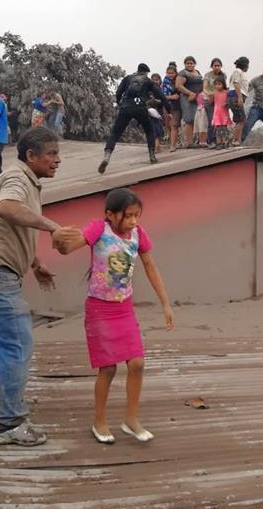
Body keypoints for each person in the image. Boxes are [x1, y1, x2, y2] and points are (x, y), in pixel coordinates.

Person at [0, 127, 67, 446]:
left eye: (57, 154)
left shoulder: (24, 179)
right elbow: (8, 208)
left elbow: (11, 229)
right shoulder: (17, 179)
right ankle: (9, 423)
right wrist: (52, 227)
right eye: (51, 154)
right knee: (17, 346)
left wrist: (35, 265)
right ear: (30, 156)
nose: (57, 160)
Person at [52, 188, 174, 444]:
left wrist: (165, 303)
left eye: (137, 216)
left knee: (137, 363)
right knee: (107, 368)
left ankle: (131, 420)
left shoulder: (139, 235)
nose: (133, 221)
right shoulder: (99, 229)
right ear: (110, 214)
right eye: (128, 216)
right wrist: (59, 239)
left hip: (124, 308)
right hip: (99, 308)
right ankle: (99, 421)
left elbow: (151, 266)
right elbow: (68, 248)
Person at [100, 63, 168, 172]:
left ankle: (107, 156)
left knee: (115, 133)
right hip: (141, 108)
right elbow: (160, 95)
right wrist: (168, 109)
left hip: (126, 108)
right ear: (146, 72)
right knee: (149, 130)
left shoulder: (127, 78)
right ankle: (152, 155)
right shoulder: (147, 80)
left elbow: (118, 93)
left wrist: (120, 103)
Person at [176, 56, 203, 148]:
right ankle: (189, 142)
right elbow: (178, 85)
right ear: (185, 64)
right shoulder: (183, 73)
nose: (189, 65)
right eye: (187, 63)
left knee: (199, 119)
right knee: (189, 119)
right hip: (187, 98)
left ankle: (200, 141)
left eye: (191, 63)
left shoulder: (198, 72)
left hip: (198, 98)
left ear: (194, 64)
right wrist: (190, 93)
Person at [203, 58, 226, 148]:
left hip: (219, 100)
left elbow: (224, 86)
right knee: (211, 120)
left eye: (218, 66)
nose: (217, 67)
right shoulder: (207, 75)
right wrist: (211, 94)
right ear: (212, 66)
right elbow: (204, 88)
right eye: (215, 65)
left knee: (221, 121)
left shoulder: (223, 75)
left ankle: (221, 141)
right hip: (209, 99)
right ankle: (211, 140)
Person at [228, 56, 250, 146]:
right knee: (241, 120)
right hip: (236, 97)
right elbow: (236, 83)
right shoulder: (237, 72)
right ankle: (235, 140)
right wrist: (240, 97)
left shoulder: (241, 73)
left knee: (240, 119)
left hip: (237, 97)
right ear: (245, 65)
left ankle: (237, 140)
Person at [161, 64, 182, 152]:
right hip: (166, 105)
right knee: (167, 125)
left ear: (175, 73)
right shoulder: (165, 81)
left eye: (172, 73)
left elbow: (177, 96)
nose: (171, 75)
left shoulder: (178, 81)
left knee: (174, 125)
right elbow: (162, 93)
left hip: (176, 106)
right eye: (169, 73)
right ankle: (171, 143)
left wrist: (165, 97)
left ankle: (173, 145)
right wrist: (165, 97)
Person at [147, 73, 166, 154]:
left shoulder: (161, 89)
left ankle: (158, 146)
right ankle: (156, 147)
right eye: (153, 80)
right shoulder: (148, 90)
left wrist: (158, 100)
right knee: (154, 130)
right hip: (151, 112)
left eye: (157, 80)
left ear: (160, 81)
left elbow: (163, 101)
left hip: (160, 112)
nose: (155, 81)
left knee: (159, 130)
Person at [211, 77, 232, 148]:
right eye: (216, 84)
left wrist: (227, 103)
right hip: (217, 112)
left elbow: (229, 101)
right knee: (218, 129)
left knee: (224, 128)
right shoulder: (214, 92)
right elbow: (212, 101)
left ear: (223, 84)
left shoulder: (226, 92)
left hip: (224, 112)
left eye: (219, 84)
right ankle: (218, 142)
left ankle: (224, 142)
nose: (217, 86)